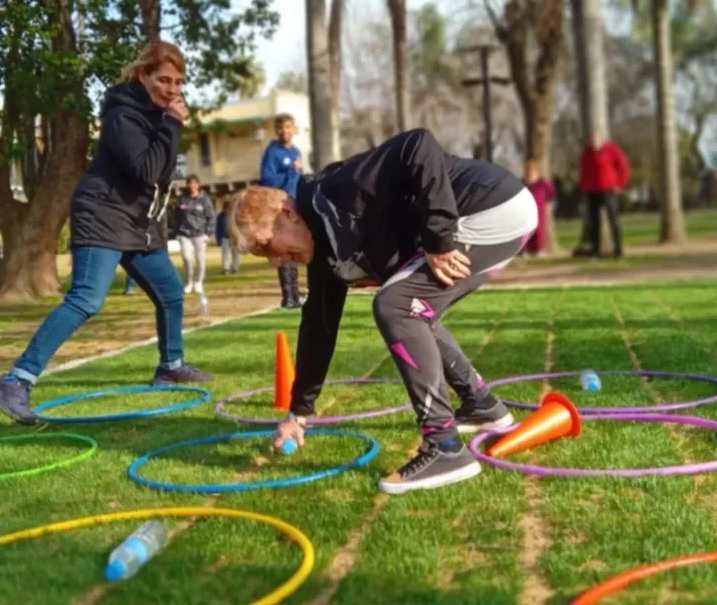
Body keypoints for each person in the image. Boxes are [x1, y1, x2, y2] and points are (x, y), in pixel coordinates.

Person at [229, 129, 537, 495]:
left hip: (491, 205)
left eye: (268, 248)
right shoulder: (324, 251)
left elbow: (418, 144)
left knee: (395, 305)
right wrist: (298, 413)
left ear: (287, 213)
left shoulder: (338, 190)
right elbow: (318, 330)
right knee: (410, 308)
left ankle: (445, 447)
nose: (277, 261)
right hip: (500, 213)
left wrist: (439, 239)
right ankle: (481, 404)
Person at [0, 40, 212, 425]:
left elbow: (156, 178)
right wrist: (173, 124)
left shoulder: (158, 116)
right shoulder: (124, 113)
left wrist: (168, 126)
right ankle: (15, 381)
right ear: (143, 75)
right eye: (163, 80)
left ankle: (170, 366)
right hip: (102, 215)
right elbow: (146, 169)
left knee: (171, 292)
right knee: (86, 299)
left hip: (137, 223)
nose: (172, 89)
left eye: (178, 82)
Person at [260, 113, 306, 308]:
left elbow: (297, 179)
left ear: (294, 129)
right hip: (280, 205)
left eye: (288, 127)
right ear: (276, 131)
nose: (285, 131)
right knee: (284, 247)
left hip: (296, 204)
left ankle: (295, 293)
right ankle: (288, 296)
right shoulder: (272, 151)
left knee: (295, 248)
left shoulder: (296, 151)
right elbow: (267, 179)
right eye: (281, 128)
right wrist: (290, 171)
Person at [575, 133, 629, 259]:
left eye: (596, 141)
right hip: (591, 190)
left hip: (608, 189)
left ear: (601, 140)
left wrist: (619, 184)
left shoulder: (611, 150)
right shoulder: (586, 154)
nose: (594, 144)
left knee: (613, 219)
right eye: (592, 141)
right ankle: (596, 251)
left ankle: (618, 249)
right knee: (594, 222)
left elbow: (623, 167)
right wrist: (582, 186)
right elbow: (582, 171)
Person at [172, 174, 216, 294]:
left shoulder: (204, 199)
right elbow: (175, 216)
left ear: (198, 184)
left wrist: (208, 233)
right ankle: (189, 282)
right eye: (189, 183)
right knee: (186, 258)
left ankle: (198, 282)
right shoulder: (181, 199)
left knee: (200, 260)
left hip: (200, 234)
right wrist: (176, 231)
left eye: (193, 183)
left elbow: (211, 217)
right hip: (184, 234)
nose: (191, 186)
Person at [522, 159, 556, 256]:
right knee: (526, 231)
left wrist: (549, 206)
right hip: (525, 212)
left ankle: (539, 249)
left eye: (532, 172)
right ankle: (525, 250)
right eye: (528, 172)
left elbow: (551, 194)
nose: (530, 174)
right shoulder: (522, 184)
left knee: (539, 231)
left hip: (539, 212)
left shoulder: (543, 183)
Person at [216, 194, 241, 274]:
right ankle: (225, 268)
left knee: (236, 253)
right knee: (225, 253)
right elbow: (218, 228)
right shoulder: (220, 216)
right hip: (225, 237)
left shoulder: (236, 215)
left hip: (234, 237)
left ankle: (235, 267)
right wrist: (218, 238)